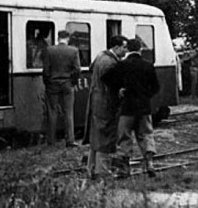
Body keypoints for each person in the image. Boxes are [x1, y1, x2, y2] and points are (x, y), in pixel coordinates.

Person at [103, 38, 160, 178]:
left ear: (127, 49)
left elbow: (106, 78)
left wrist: (120, 89)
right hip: (144, 107)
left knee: (124, 136)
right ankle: (150, 163)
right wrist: (145, 95)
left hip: (127, 106)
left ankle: (124, 169)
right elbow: (156, 87)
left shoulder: (122, 65)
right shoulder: (148, 65)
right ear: (140, 49)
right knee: (146, 134)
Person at [83, 35, 128, 179]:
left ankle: (91, 169)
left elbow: (91, 69)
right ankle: (102, 171)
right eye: (124, 47)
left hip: (95, 99)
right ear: (116, 47)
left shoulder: (100, 55)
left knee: (95, 136)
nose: (126, 51)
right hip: (106, 102)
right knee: (106, 137)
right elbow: (111, 84)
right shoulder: (110, 62)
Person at [42, 30, 81, 147]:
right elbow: (77, 69)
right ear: (67, 38)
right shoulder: (73, 51)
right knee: (68, 112)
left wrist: (47, 82)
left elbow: (46, 70)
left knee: (52, 111)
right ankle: (70, 140)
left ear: (58, 38)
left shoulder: (50, 50)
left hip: (52, 83)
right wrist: (73, 82)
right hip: (67, 83)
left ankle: (51, 140)